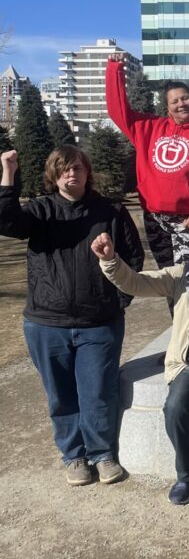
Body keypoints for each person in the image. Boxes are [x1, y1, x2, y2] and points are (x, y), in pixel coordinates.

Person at [0, 146, 143, 486]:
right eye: (64, 169)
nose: (72, 174)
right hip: (47, 323)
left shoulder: (110, 210)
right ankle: (74, 456)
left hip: (99, 323)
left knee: (98, 392)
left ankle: (102, 454)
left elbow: (133, 257)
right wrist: (8, 174)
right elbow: (5, 221)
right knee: (61, 395)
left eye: (78, 168)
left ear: (87, 172)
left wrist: (118, 299)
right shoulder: (40, 211)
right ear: (54, 174)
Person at [92, 224, 189, 506]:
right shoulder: (182, 276)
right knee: (174, 407)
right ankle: (188, 475)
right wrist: (110, 260)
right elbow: (136, 282)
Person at [105, 54, 189, 268]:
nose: (182, 104)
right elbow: (118, 111)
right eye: (175, 101)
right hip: (155, 220)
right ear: (167, 108)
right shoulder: (148, 128)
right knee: (167, 280)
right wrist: (114, 70)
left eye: (186, 98)